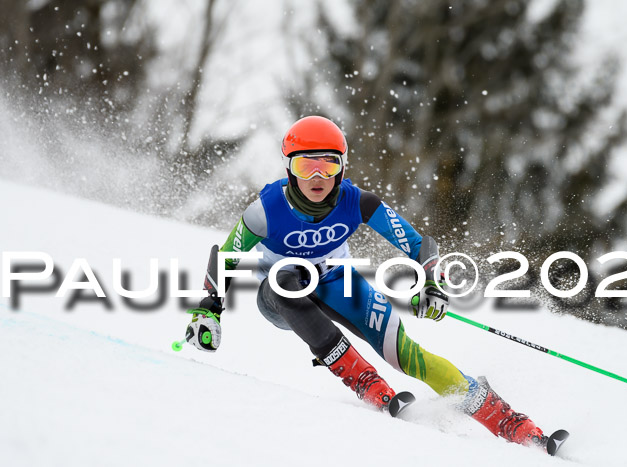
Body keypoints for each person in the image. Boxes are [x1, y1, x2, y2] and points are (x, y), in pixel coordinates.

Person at [184, 116, 549, 450]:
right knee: (286, 277)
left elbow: (420, 246)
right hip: (280, 296)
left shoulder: (358, 202)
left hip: (337, 282)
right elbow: (229, 254)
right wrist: (209, 309)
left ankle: (506, 420)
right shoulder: (266, 210)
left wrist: (432, 284)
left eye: (327, 164)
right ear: (289, 168)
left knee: (404, 352)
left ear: (342, 168)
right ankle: (364, 381)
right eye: (304, 165)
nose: (316, 177)